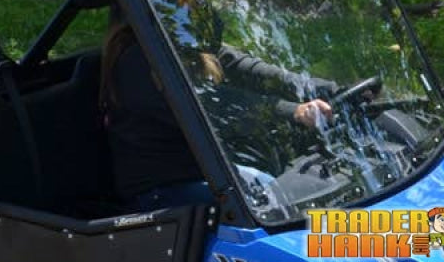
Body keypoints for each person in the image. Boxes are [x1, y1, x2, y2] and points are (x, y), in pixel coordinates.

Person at [100, 21, 334, 211]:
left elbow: (254, 71)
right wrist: (293, 111)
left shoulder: (187, 43)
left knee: (288, 191)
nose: (198, 5)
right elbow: (209, 105)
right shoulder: (136, 60)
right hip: (161, 192)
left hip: (206, 174)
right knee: (273, 205)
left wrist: (325, 88)